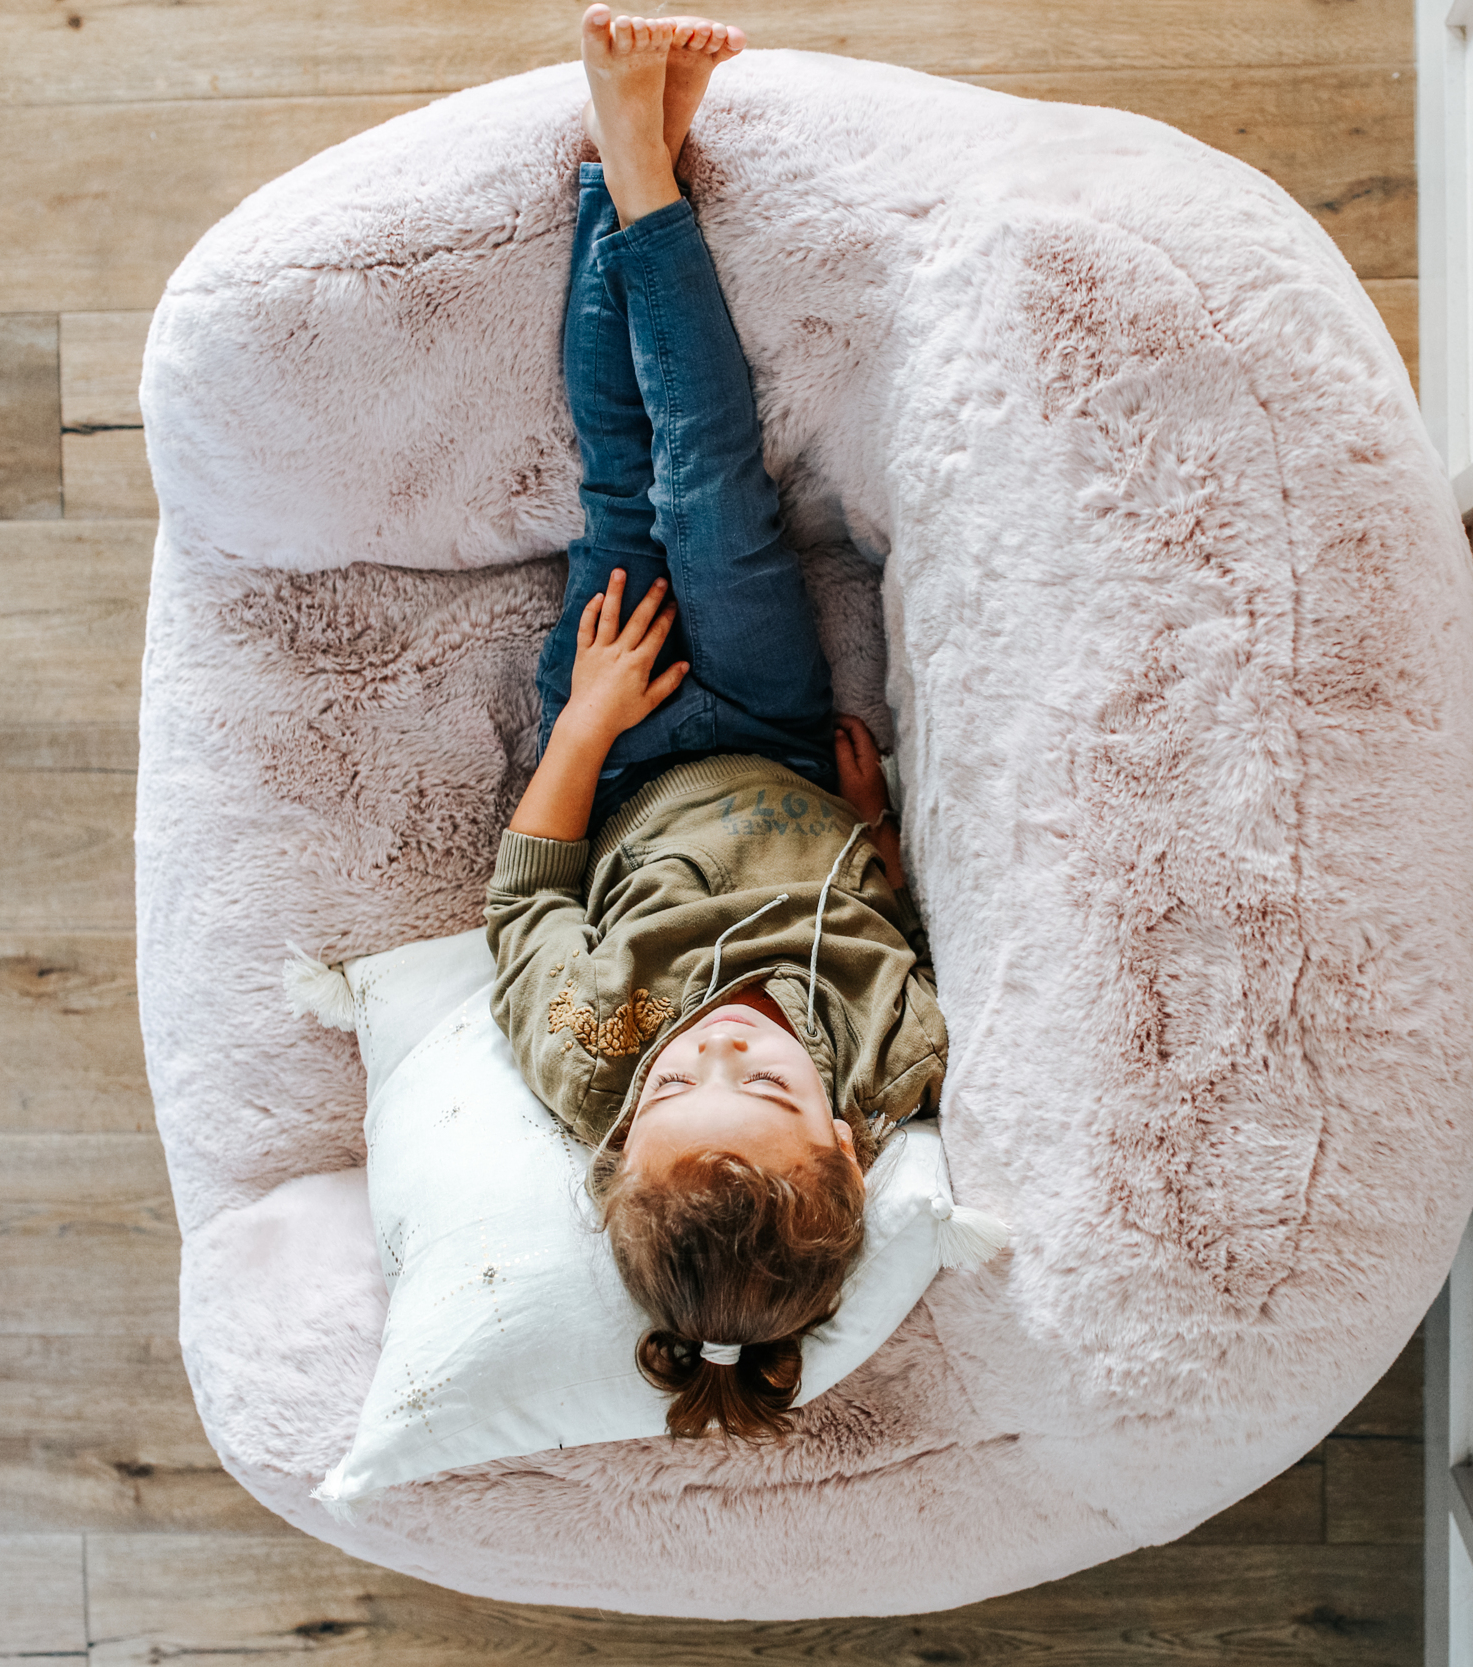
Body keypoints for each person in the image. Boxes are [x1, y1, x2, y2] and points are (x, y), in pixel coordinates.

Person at [483, 6, 946, 1441]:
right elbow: (903, 935)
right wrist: (870, 829)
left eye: (683, 1081)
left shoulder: (593, 1052)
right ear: (851, 1150)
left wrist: (588, 725)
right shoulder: (900, 1064)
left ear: (622, 1135)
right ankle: (641, 164)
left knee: (624, 490)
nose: (722, 1043)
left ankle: (619, 165)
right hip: (779, 742)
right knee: (714, 496)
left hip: (618, 751)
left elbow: (522, 905)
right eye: (762, 1079)